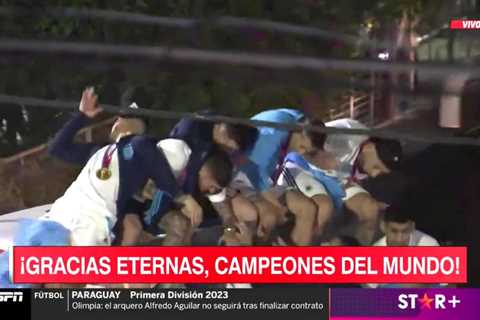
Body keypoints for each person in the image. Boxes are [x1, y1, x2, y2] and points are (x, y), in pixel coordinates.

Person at [233, 108, 326, 245]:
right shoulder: (270, 136)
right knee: (269, 217)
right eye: (302, 147)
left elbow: (283, 169)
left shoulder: (297, 121)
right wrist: (277, 206)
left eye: (306, 151)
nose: (300, 152)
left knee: (308, 209)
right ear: (300, 134)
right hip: (243, 176)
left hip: (269, 176)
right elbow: (256, 176)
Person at [322, 118, 403, 244]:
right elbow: (307, 142)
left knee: (369, 209)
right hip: (302, 171)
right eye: (376, 167)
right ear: (369, 148)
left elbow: (351, 177)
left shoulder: (367, 155)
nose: (374, 174)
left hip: (336, 180)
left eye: (381, 172)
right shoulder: (347, 135)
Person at [374, 202, 439, 247]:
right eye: (394, 231)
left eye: (405, 231)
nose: (399, 239)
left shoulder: (430, 245)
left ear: (412, 227)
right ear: (383, 227)